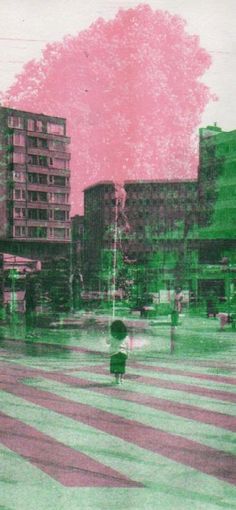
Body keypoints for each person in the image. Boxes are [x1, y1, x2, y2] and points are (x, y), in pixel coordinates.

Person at [107, 320, 129, 384]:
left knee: (116, 367)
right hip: (123, 353)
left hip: (114, 353)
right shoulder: (126, 337)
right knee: (122, 366)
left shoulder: (112, 336)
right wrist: (128, 354)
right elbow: (128, 346)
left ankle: (117, 380)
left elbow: (107, 342)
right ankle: (121, 379)